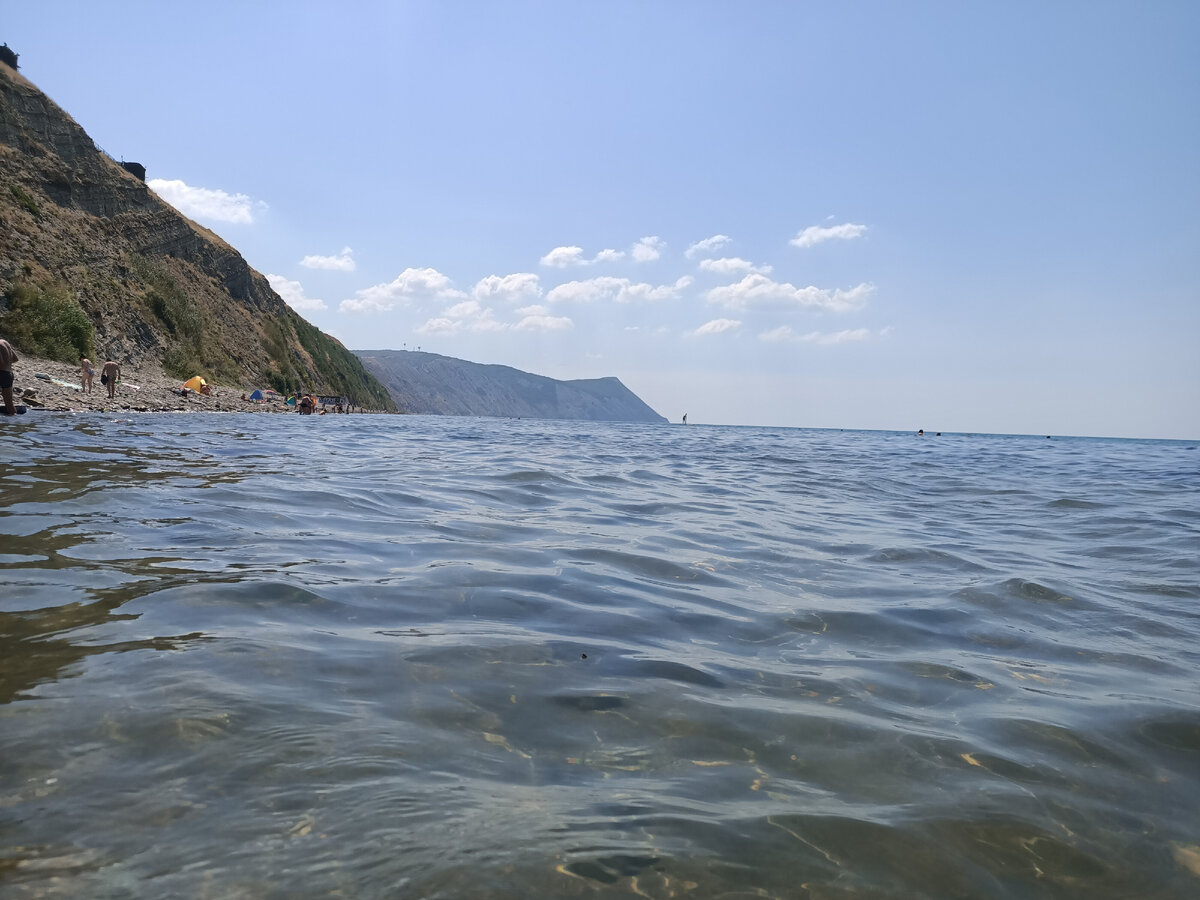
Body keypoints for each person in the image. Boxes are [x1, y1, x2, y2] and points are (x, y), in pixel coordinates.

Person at [0, 336, 18, 415]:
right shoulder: (5, 342)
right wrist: (7, 365)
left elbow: (1, 362)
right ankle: (15, 422)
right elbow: (15, 359)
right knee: (9, 405)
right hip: (8, 375)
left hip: (1, 373)